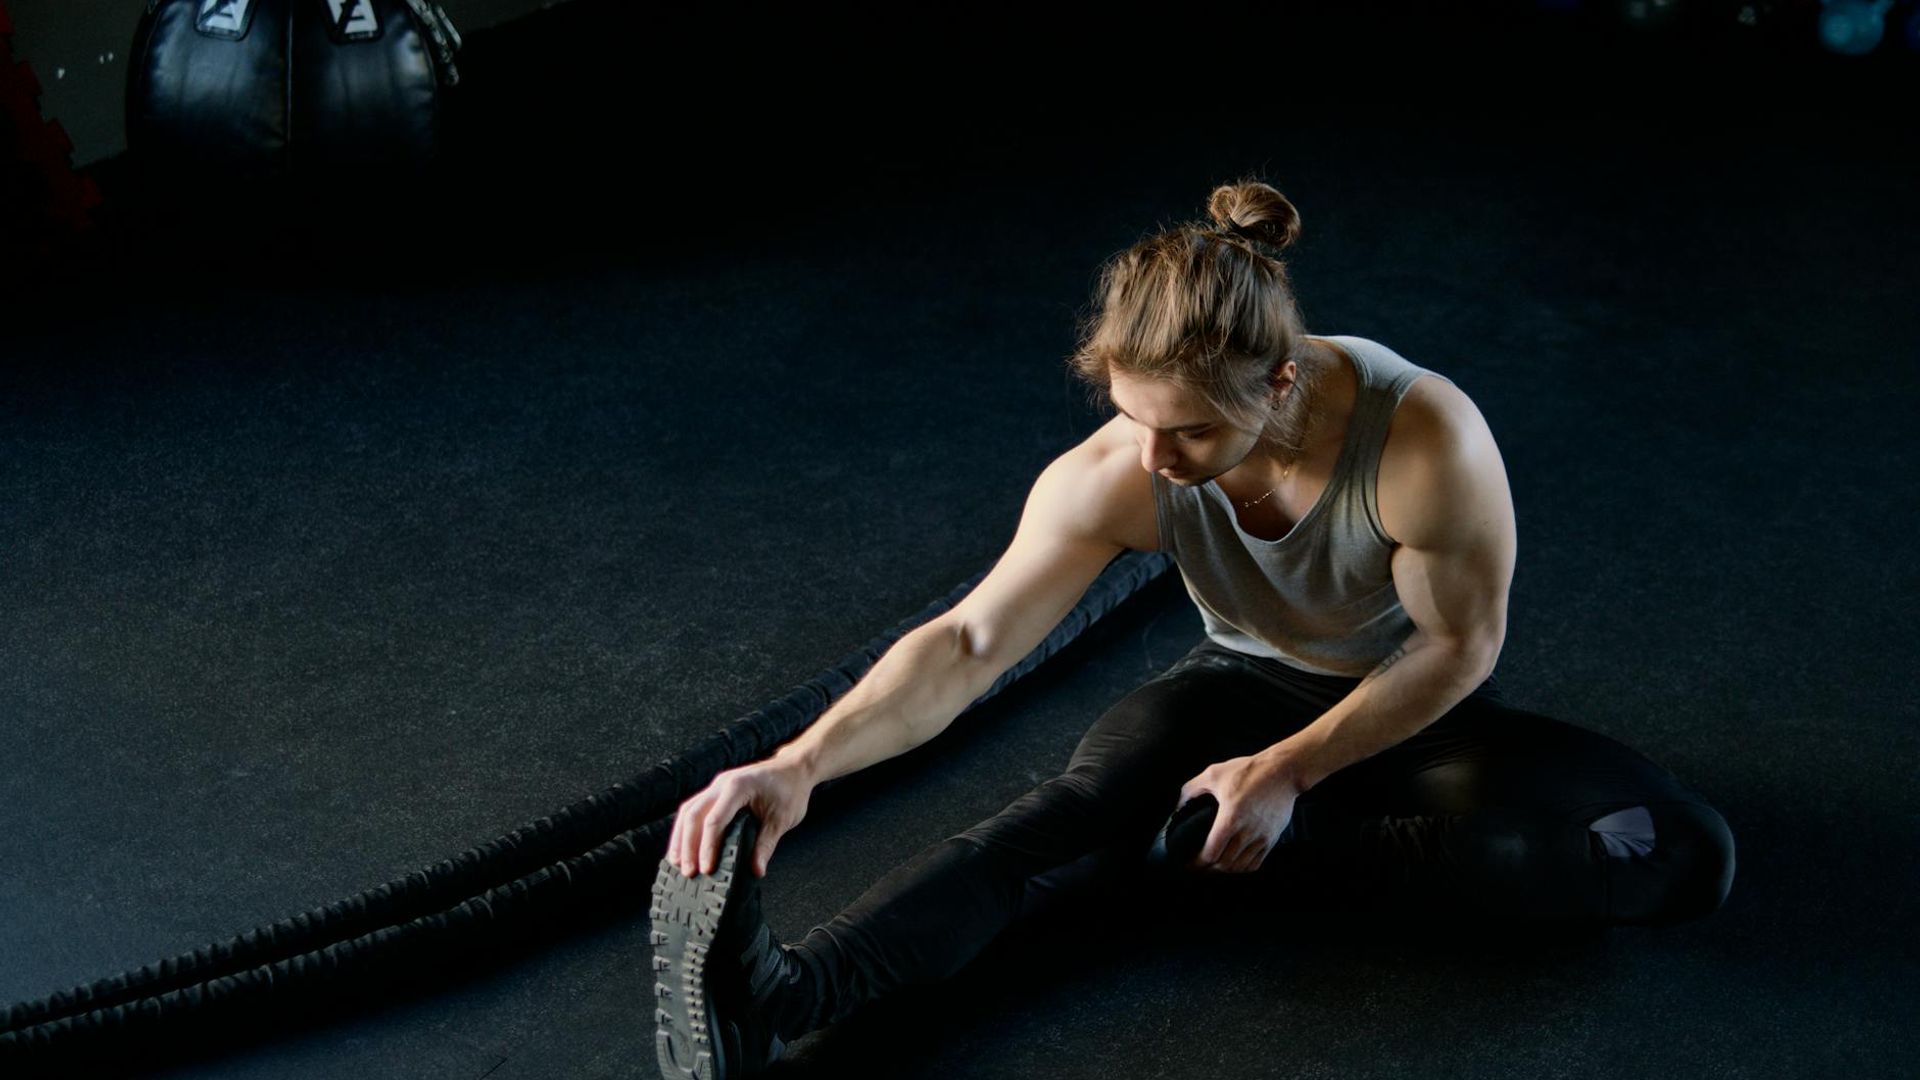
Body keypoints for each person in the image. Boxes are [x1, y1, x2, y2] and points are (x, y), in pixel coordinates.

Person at [646, 179, 1737, 1080]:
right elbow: (971, 642)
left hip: (1405, 709)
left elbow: (1459, 646)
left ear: (1282, 381)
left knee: (1678, 853)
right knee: (1063, 821)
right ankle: (788, 993)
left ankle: (1262, 855)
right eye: (1133, 419)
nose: (1157, 461)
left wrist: (1289, 773)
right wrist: (798, 765)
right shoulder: (1120, 472)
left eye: (1194, 429)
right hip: (1234, 692)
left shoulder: (1420, 438)